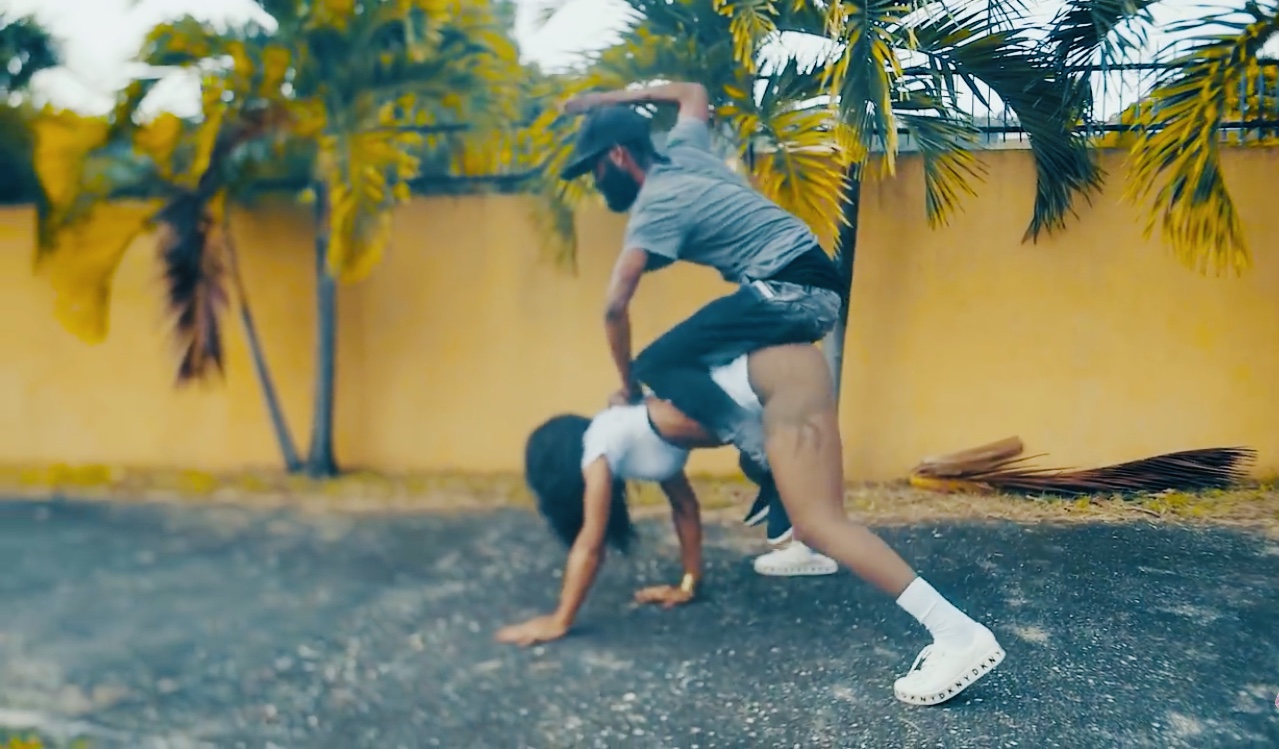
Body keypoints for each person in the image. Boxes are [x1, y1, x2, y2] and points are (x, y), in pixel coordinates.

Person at [496, 343, 1006, 707]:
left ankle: (957, 634)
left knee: (823, 524)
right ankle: (801, 552)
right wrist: (688, 583)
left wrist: (559, 620)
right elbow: (685, 509)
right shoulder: (635, 436)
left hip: (775, 392)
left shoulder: (600, 443)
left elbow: (589, 543)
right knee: (808, 517)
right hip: (781, 391)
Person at [558, 81, 844, 471]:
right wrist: (608, 101)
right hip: (810, 286)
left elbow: (614, 308)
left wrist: (629, 387)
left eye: (596, 169)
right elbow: (693, 93)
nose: (596, 181)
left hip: (788, 293)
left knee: (658, 365)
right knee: (700, 369)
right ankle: (765, 461)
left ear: (618, 155)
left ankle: (761, 447)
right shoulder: (686, 151)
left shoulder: (654, 207)